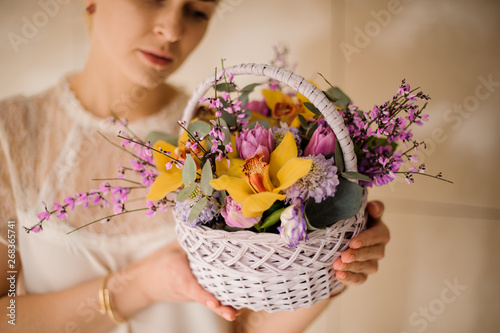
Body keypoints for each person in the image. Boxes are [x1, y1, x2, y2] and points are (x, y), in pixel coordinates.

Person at [0, 1, 390, 332]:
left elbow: (242, 326)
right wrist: (140, 288)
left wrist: (329, 268)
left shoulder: (234, 134)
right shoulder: (12, 135)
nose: (172, 29)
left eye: (197, 11)